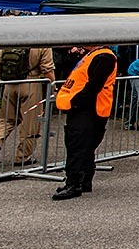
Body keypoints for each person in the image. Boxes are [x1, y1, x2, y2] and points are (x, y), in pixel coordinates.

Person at [51, 44, 118, 201]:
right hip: (87, 108)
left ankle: (74, 184)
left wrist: (75, 102)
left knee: (78, 146)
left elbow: (94, 85)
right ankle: (83, 181)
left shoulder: (103, 57)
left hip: (89, 109)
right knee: (84, 147)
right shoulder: (93, 55)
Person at [0, 46, 56, 167]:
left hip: (10, 85)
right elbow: (47, 69)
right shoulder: (43, 45)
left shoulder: (15, 42)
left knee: (7, 119)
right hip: (32, 84)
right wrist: (53, 87)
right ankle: (22, 157)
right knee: (30, 123)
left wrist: (1, 79)